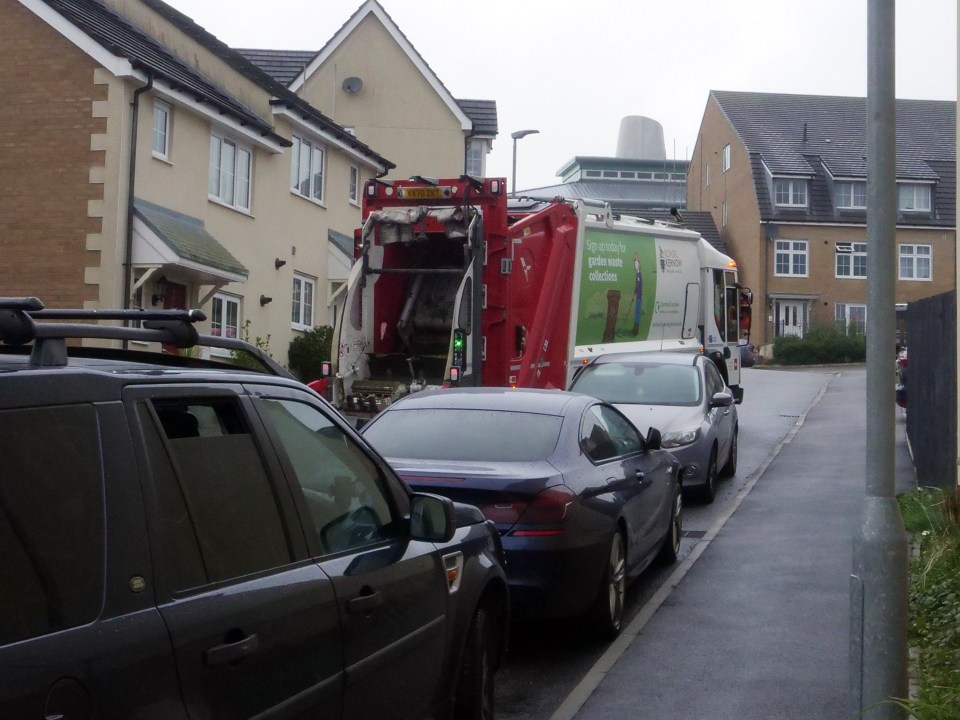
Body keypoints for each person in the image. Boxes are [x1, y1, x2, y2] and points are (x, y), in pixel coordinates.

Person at [631, 253, 643, 336]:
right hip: (638, 295)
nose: (635, 266)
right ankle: (634, 328)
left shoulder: (639, 275)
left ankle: (636, 329)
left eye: (636, 264)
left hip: (639, 296)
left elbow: (638, 284)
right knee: (637, 312)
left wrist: (634, 293)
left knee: (637, 312)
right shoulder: (638, 274)